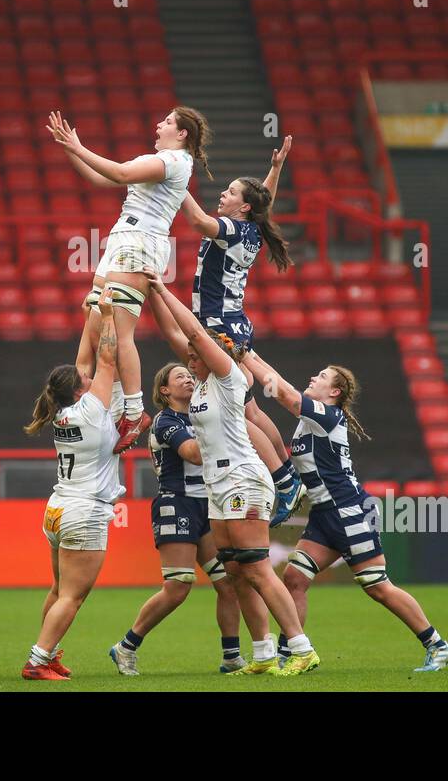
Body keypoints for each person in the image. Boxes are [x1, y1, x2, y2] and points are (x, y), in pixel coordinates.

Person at [143, 270, 320, 677]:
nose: (188, 360)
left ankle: (300, 647)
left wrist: (165, 289)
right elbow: (178, 334)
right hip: (218, 485)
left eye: (194, 355)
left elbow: (192, 330)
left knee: (257, 566)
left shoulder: (227, 377)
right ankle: (261, 655)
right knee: (236, 571)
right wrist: (153, 294)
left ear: (213, 354)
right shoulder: (199, 388)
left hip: (243, 478)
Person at [242, 350, 448, 674]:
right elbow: (264, 423)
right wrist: (246, 359)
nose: (314, 378)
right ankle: (293, 655)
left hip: (348, 511)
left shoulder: (327, 416)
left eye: (322, 376)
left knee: (378, 587)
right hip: (325, 514)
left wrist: (246, 354)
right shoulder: (310, 422)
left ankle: (437, 645)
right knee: (295, 578)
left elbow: (285, 393)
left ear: (335, 393)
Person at [49, 106, 211, 452]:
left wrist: (79, 147)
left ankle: (134, 411)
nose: (158, 123)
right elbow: (101, 178)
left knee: (120, 332)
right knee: (96, 332)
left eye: (167, 121)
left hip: (140, 245)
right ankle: (120, 406)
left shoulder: (175, 161)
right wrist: (69, 148)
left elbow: (121, 174)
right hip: (121, 240)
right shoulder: (160, 161)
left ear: (182, 134)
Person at [178, 141, 302, 524]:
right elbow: (261, 202)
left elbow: (197, 221)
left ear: (242, 206)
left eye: (230, 192)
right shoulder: (250, 228)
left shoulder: (231, 229)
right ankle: (286, 476)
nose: (223, 194)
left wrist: (173, 179)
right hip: (232, 325)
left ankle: (283, 479)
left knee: (242, 414)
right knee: (248, 408)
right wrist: (276, 170)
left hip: (220, 329)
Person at [107, 361, 247, 675]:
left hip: (207, 506)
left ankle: (231, 657)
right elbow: (193, 453)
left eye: (190, 374)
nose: (188, 378)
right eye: (179, 376)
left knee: (228, 582)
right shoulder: (166, 420)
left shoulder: (200, 414)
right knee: (179, 586)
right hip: (177, 504)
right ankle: (126, 647)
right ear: (165, 390)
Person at [21, 291, 122, 681]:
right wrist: (109, 316)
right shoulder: (93, 407)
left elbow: (85, 362)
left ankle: (48, 652)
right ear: (81, 388)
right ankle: (37, 660)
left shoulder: (64, 410)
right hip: (84, 511)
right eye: (86, 378)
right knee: (73, 596)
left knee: (60, 589)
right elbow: (108, 358)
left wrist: (89, 318)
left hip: (58, 509)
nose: (90, 374)